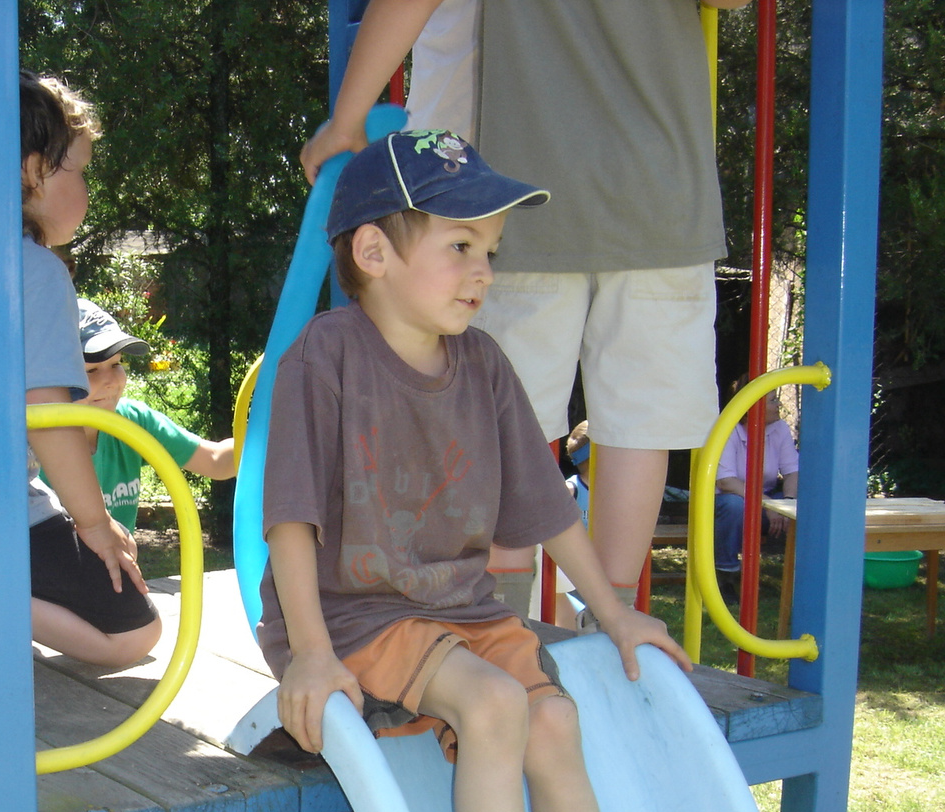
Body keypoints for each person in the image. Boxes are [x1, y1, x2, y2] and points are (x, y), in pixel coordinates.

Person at [260, 131, 727, 812]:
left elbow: (549, 512)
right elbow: (293, 521)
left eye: (491, 253)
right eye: (461, 246)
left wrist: (614, 611)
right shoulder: (327, 359)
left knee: (555, 721)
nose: (483, 272)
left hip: (460, 608)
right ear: (374, 252)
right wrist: (308, 652)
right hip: (355, 613)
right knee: (496, 704)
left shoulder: (483, 365)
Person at [301, 0, 751, 621]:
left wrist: (347, 118)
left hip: (517, 183)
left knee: (497, 422)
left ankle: (503, 617)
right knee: (639, 426)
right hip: (660, 187)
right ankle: (610, 620)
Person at [19, 73, 162, 668]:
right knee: (137, 634)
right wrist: (95, 524)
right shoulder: (35, 272)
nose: (86, 189)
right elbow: (48, 417)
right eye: (78, 171)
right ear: (34, 171)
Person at [65, 298, 236, 532]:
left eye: (116, 364)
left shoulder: (132, 422)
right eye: (91, 370)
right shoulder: (37, 439)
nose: (111, 381)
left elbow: (216, 461)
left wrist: (279, 436)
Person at [715, 389, 799, 601]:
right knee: (734, 505)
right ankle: (725, 576)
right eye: (773, 400)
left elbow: (793, 472)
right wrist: (769, 506)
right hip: (730, 503)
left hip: (765, 502)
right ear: (753, 407)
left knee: (806, 502)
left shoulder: (779, 428)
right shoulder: (728, 429)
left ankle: (800, 574)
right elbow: (726, 482)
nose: (779, 404)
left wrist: (787, 504)